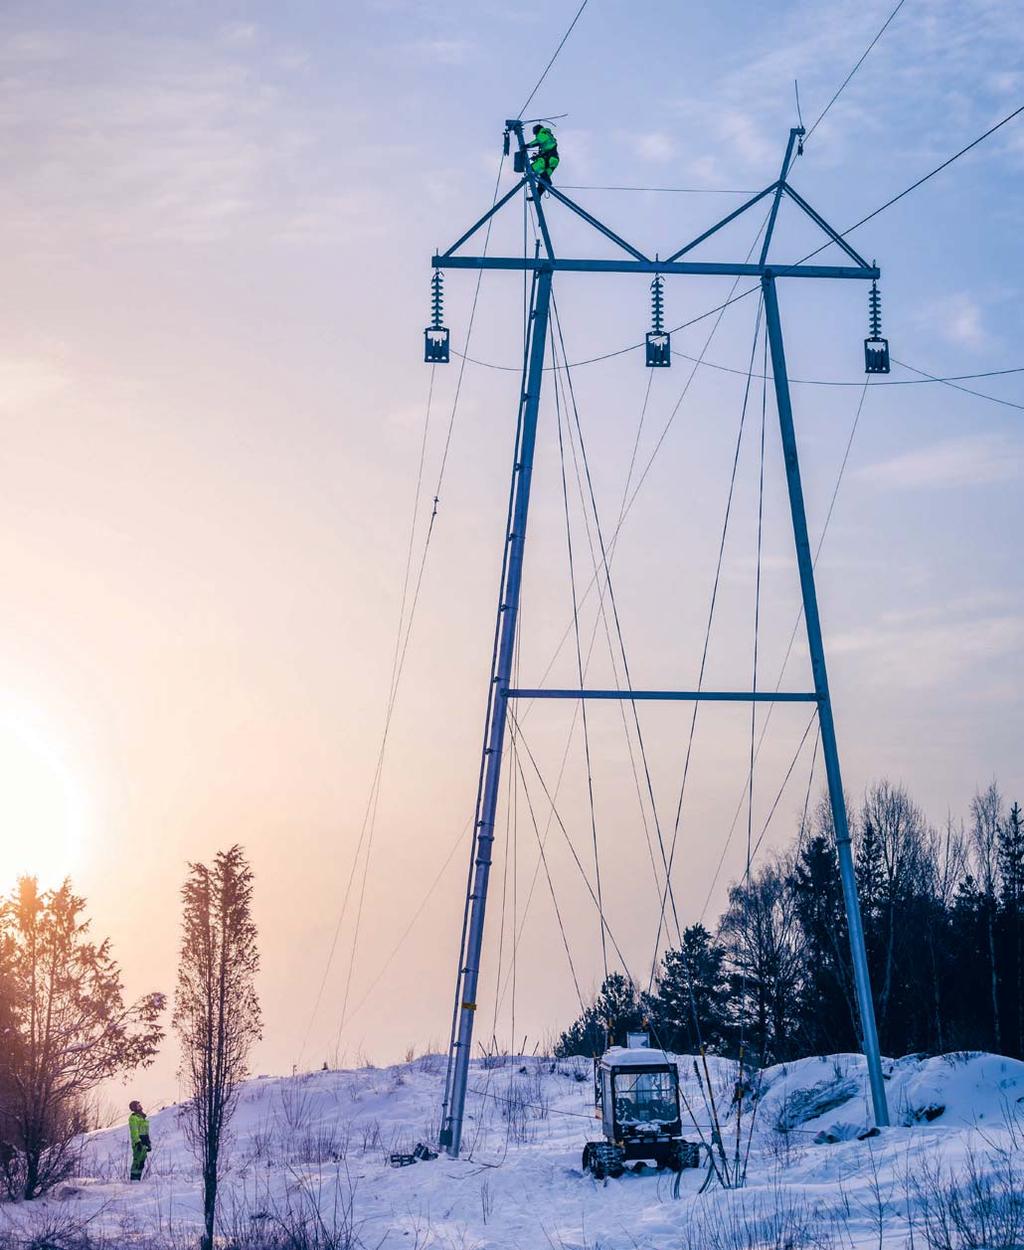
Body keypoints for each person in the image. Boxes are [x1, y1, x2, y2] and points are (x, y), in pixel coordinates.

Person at [525, 123, 559, 196]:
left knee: (532, 168)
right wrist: (537, 157)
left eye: (535, 133)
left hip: (548, 158)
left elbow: (538, 141)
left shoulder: (542, 133)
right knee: (543, 178)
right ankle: (537, 195)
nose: (535, 135)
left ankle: (548, 182)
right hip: (554, 159)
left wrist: (527, 145)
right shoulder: (549, 136)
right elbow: (546, 148)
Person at [128, 1100, 152, 1182]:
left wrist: (148, 1142)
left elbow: (145, 1131)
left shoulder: (143, 1117)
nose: (140, 1106)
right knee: (137, 1161)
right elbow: (134, 1131)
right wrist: (137, 1142)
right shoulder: (133, 1118)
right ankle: (134, 1179)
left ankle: (138, 1178)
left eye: (139, 1104)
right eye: (138, 1105)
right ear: (134, 1108)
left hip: (144, 1141)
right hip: (138, 1142)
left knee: (142, 1161)